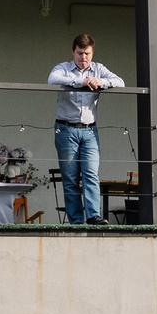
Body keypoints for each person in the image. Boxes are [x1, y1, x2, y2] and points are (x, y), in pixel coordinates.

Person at [47, 33, 125, 225]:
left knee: (91, 173)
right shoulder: (63, 68)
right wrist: (80, 82)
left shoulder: (99, 69)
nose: (83, 57)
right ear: (73, 52)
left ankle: (93, 216)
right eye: (80, 53)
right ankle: (76, 221)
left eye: (87, 54)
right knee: (71, 177)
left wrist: (101, 82)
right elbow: (52, 79)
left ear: (92, 53)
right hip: (65, 129)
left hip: (90, 131)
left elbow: (120, 81)